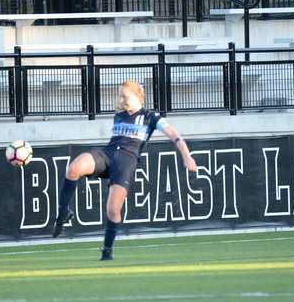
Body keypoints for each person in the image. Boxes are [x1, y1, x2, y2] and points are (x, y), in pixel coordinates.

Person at [52, 79, 198, 259]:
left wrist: (187, 156)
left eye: (124, 96)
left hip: (127, 160)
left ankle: (107, 251)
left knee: (113, 209)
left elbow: (175, 136)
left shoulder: (151, 117)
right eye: (120, 96)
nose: (121, 100)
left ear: (137, 96)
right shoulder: (119, 115)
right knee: (74, 168)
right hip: (108, 153)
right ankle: (63, 214)